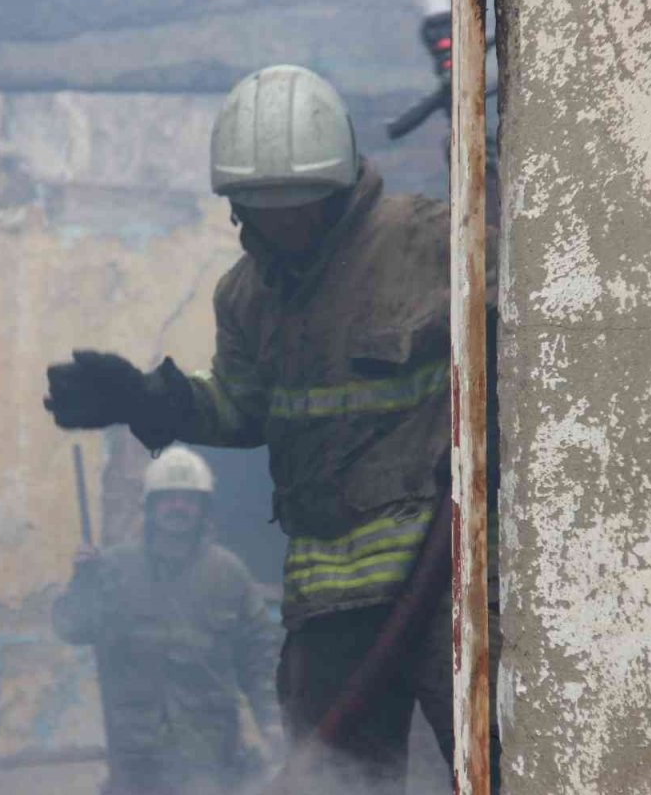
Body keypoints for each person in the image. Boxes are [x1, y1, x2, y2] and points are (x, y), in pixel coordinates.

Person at [44, 65, 500, 792]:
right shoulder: (248, 295)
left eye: (274, 209)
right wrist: (147, 400)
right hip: (328, 611)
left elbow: (514, 343)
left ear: (329, 195)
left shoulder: (428, 244)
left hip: (445, 585)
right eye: (245, 206)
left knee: (493, 765)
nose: (252, 226)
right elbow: (241, 408)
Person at [52, 446, 283, 795]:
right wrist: (82, 581)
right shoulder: (114, 569)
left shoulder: (229, 574)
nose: (178, 507)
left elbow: (259, 658)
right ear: (150, 506)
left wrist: (272, 725)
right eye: (168, 498)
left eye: (188, 499)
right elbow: (73, 628)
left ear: (204, 508)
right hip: (137, 759)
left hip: (210, 758)